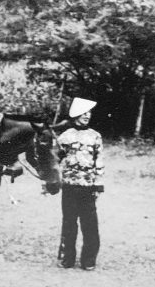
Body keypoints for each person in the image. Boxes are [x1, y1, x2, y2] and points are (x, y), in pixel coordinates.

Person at [57, 97, 104, 271]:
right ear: (76, 114)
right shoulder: (65, 136)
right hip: (69, 186)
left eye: (89, 112)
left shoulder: (95, 136)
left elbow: (99, 161)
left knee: (90, 224)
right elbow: (55, 159)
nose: (87, 115)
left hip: (88, 187)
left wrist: (98, 185)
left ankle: (89, 260)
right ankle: (67, 258)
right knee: (69, 223)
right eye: (84, 112)